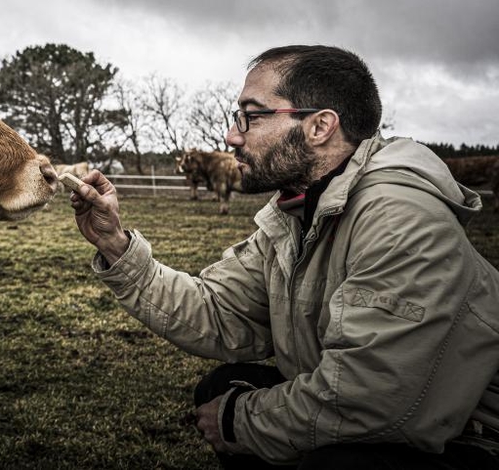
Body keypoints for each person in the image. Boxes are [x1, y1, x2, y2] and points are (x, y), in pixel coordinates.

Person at [70, 45, 499, 469]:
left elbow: (373, 399)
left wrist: (238, 422)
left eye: (251, 116)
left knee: (338, 465)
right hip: (380, 412)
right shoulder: (297, 213)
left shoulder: (399, 219)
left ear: (319, 127)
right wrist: (116, 245)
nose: (232, 136)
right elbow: (218, 312)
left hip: (466, 439)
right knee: (223, 386)